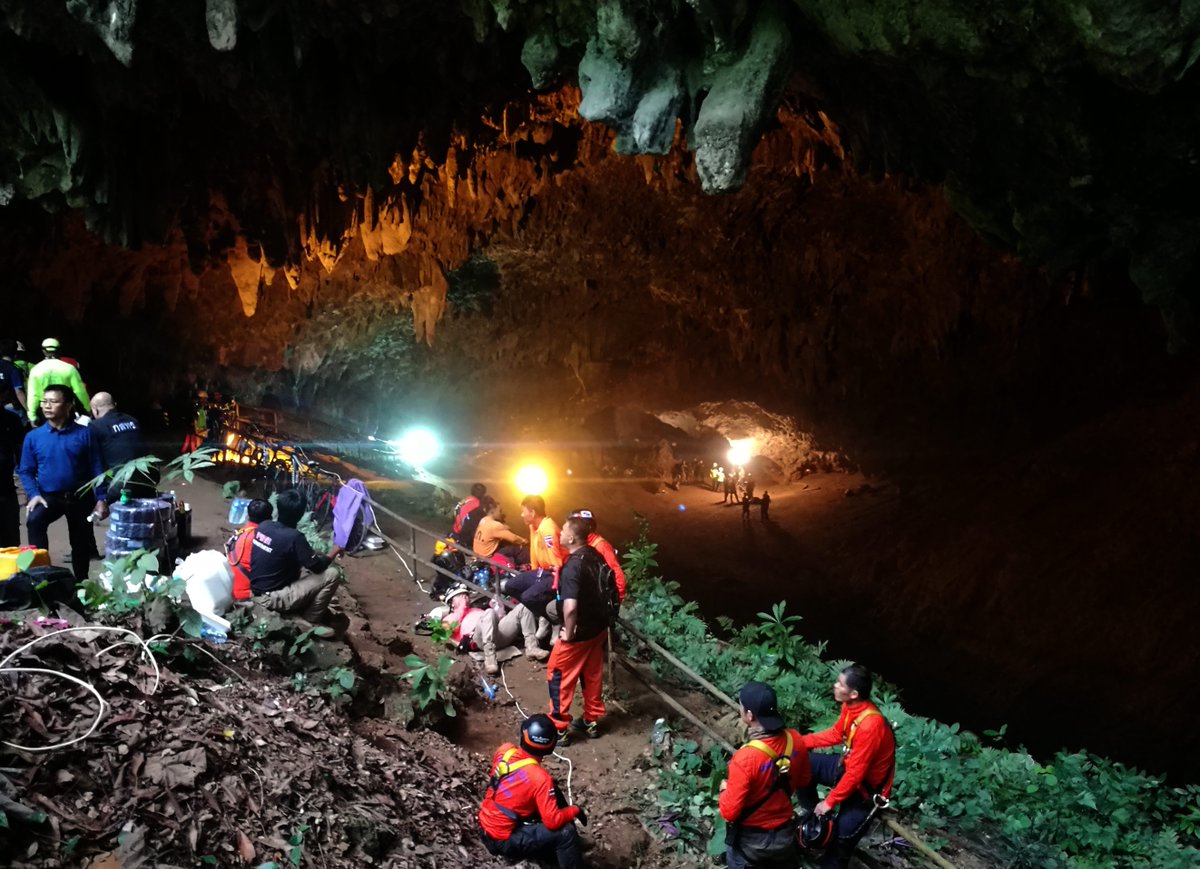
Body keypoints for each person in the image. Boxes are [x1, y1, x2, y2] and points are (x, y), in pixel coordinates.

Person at [800, 664, 896, 869]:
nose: (835, 685)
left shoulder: (871, 725)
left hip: (867, 791)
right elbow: (837, 734)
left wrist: (829, 802)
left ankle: (827, 835)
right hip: (848, 768)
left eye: (840, 684)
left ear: (853, 693)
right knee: (802, 764)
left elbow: (857, 774)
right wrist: (801, 742)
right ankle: (814, 819)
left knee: (840, 844)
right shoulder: (850, 707)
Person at [17, 384, 106, 583]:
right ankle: (42, 578)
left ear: (68, 405)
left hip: (79, 496)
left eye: (54, 401)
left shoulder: (85, 433)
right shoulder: (33, 437)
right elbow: (25, 470)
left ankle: (81, 583)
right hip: (49, 497)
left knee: (80, 541)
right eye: (44, 401)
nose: (47, 406)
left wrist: (101, 499)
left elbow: (97, 467)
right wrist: (34, 494)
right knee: (34, 521)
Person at [719, 682, 812, 869]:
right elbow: (803, 780)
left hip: (751, 844)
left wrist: (725, 790)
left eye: (741, 706)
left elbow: (729, 812)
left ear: (750, 715)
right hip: (784, 838)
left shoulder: (745, 758)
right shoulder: (795, 740)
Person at [478, 714, 587, 868]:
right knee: (566, 833)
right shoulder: (540, 778)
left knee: (552, 791)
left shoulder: (505, 750)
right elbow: (552, 821)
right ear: (551, 746)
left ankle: (570, 845)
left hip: (487, 823)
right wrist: (574, 810)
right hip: (502, 841)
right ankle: (569, 845)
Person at [546, 516, 607, 741]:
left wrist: (569, 633)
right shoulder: (595, 555)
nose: (559, 534)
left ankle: (558, 728)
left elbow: (570, 608)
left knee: (558, 674)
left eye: (562, 531)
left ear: (571, 537)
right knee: (592, 675)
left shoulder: (573, 565)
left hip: (579, 633)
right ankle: (591, 722)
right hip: (598, 629)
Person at [247, 489, 343, 622]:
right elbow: (318, 567)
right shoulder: (294, 537)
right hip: (271, 599)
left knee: (304, 568)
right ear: (301, 514)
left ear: (278, 507)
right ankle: (311, 619)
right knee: (332, 574)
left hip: (255, 591)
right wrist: (336, 549)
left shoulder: (264, 526)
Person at [442, 584, 548, 675]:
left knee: (523, 606)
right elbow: (447, 631)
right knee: (489, 612)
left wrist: (499, 610)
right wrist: (461, 608)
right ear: (451, 603)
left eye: (466, 595)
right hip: (478, 639)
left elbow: (496, 620)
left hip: (498, 634)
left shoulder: (476, 609)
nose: (465, 597)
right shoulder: (450, 617)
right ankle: (490, 658)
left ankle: (532, 647)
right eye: (460, 596)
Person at [504, 495, 567, 618]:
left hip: (554, 574)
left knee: (527, 597)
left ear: (532, 513)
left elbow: (556, 560)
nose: (522, 515)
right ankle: (542, 611)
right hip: (542, 571)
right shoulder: (533, 527)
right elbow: (534, 551)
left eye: (523, 511)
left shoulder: (548, 529)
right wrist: (533, 573)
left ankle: (551, 619)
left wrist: (555, 580)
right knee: (510, 586)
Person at [89, 392, 158, 498]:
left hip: (120, 486)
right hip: (149, 479)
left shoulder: (95, 426)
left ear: (95, 409)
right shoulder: (132, 420)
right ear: (114, 405)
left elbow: (95, 461)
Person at [565, 509, 626, 602]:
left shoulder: (601, 546)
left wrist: (617, 599)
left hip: (598, 599)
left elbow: (616, 573)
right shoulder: (578, 545)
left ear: (588, 527)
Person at [25, 339, 90, 423]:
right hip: (65, 409)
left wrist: (32, 415)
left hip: (45, 410)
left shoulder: (35, 370)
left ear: (43, 351)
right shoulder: (69, 368)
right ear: (59, 350)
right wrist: (87, 409)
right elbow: (80, 392)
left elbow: (33, 394)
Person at [226, 499, 274, 601]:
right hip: (245, 594)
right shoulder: (261, 538)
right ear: (269, 518)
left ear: (248, 515)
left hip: (229, 587)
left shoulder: (242, 532)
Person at [473, 496, 528, 562]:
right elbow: (514, 539)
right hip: (487, 558)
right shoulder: (495, 525)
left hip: (477, 555)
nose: (501, 513)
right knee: (515, 548)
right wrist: (524, 541)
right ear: (493, 510)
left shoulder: (483, 520)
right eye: (500, 511)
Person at [0, 405, 23, 546]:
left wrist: (24, 487)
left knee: (10, 543)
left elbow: (21, 455)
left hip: (6, 488)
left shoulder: (11, 419)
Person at [0, 339, 28, 420]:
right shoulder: (13, 370)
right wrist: (28, 410)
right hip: (12, 407)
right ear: (14, 353)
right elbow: (18, 392)